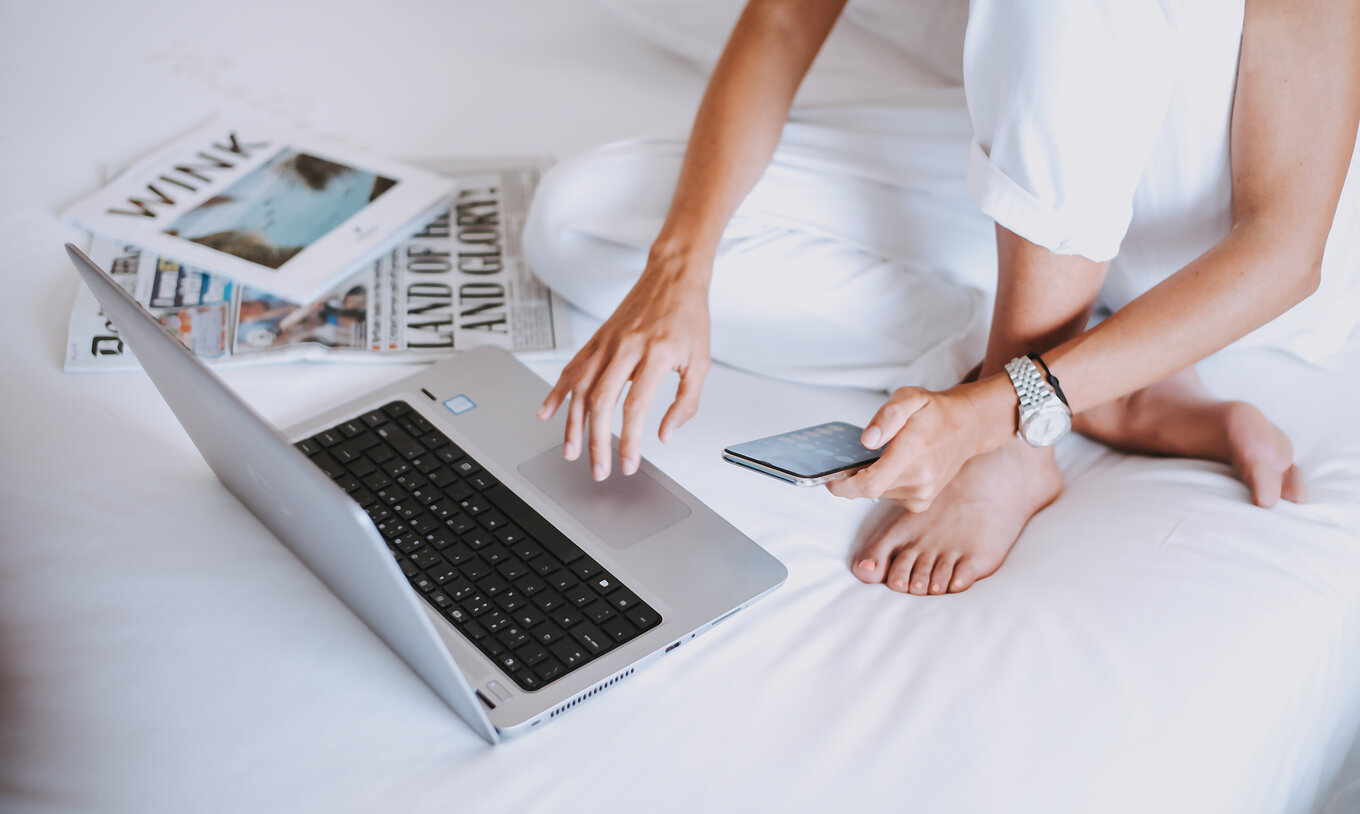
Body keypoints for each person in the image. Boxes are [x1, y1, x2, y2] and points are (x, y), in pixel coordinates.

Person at [523, 0, 1360, 595]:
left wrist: (991, 417)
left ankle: (1021, 426)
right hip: (1067, 189)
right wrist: (683, 265)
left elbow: (1285, 253)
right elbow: (783, 18)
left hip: (1232, 245)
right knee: (585, 221)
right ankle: (1109, 378)